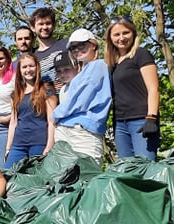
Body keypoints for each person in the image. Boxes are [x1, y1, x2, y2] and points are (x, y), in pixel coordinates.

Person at [52, 28, 112, 165]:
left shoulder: (98, 66)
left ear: (93, 45)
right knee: (64, 177)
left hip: (83, 132)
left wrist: (55, 115)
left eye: (82, 45)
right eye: (73, 48)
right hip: (67, 129)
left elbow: (79, 101)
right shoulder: (84, 70)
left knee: (87, 175)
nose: (77, 50)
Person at [106, 17, 160, 160]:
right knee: (128, 171)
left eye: (126, 33)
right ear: (110, 38)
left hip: (141, 120)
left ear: (134, 34)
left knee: (145, 168)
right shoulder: (113, 63)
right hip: (120, 123)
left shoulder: (141, 55)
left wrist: (151, 118)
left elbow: (153, 88)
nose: (121, 38)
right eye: (116, 35)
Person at [5, 53, 57, 168]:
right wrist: (8, 148)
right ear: (19, 70)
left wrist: (49, 145)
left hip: (39, 142)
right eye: (24, 67)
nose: (28, 70)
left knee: (37, 179)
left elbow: (52, 121)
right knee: (8, 176)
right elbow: (13, 122)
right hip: (19, 144)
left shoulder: (46, 90)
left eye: (31, 66)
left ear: (37, 67)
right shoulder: (16, 94)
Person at [30, 8, 68, 88]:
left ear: (54, 25)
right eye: (40, 24)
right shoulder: (32, 57)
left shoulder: (66, 44)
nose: (45, 27)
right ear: (33, 27)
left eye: (48, 23)